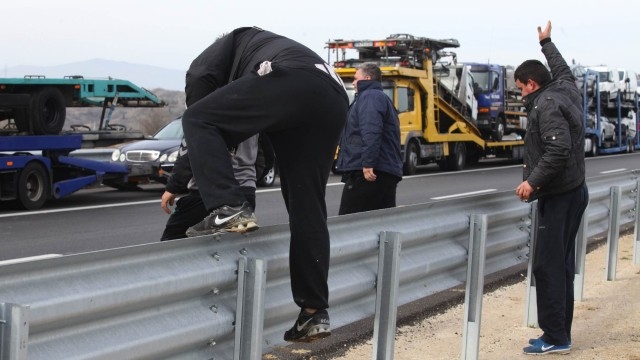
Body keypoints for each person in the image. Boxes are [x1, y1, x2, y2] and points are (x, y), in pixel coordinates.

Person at [180, 27, 349, 342]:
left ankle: (229, 207)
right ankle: (314, 313)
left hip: (295, 81)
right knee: (307, 206)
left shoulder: (224, 46)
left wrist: (180, 181)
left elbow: (200, 105)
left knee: (196, 120)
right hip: (334, 95)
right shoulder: (261, 51)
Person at [514, 21, 589, 355]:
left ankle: (556, 337)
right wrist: (546, 42)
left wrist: (532, 181)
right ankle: (560, 333)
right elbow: (561, 68)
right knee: (561, 264)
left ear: (532, 84)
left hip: (558, 195)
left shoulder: (545, 106)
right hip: (574, 191)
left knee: (548, 267)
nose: (520, 94)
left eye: (520, 88)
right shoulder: (565, 88)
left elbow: (558, 150)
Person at [160, 135, 259, 241]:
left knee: (172, 239)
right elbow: (266, 152)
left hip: (208, 191)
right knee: (231, 245)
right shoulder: (255, 118)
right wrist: (248, 180)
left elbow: (191, 147)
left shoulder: (200, 118)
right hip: (246, 191)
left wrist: (173, 186)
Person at [336, 62, 403, 215]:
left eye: (355, 78)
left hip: (369, 173)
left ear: (366, 78)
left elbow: (371, 130)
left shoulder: (370, 97)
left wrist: (368, 163)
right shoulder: (378, 97)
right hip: (382, 171)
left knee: (348, 222)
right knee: (378, 224)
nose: (353, 82)